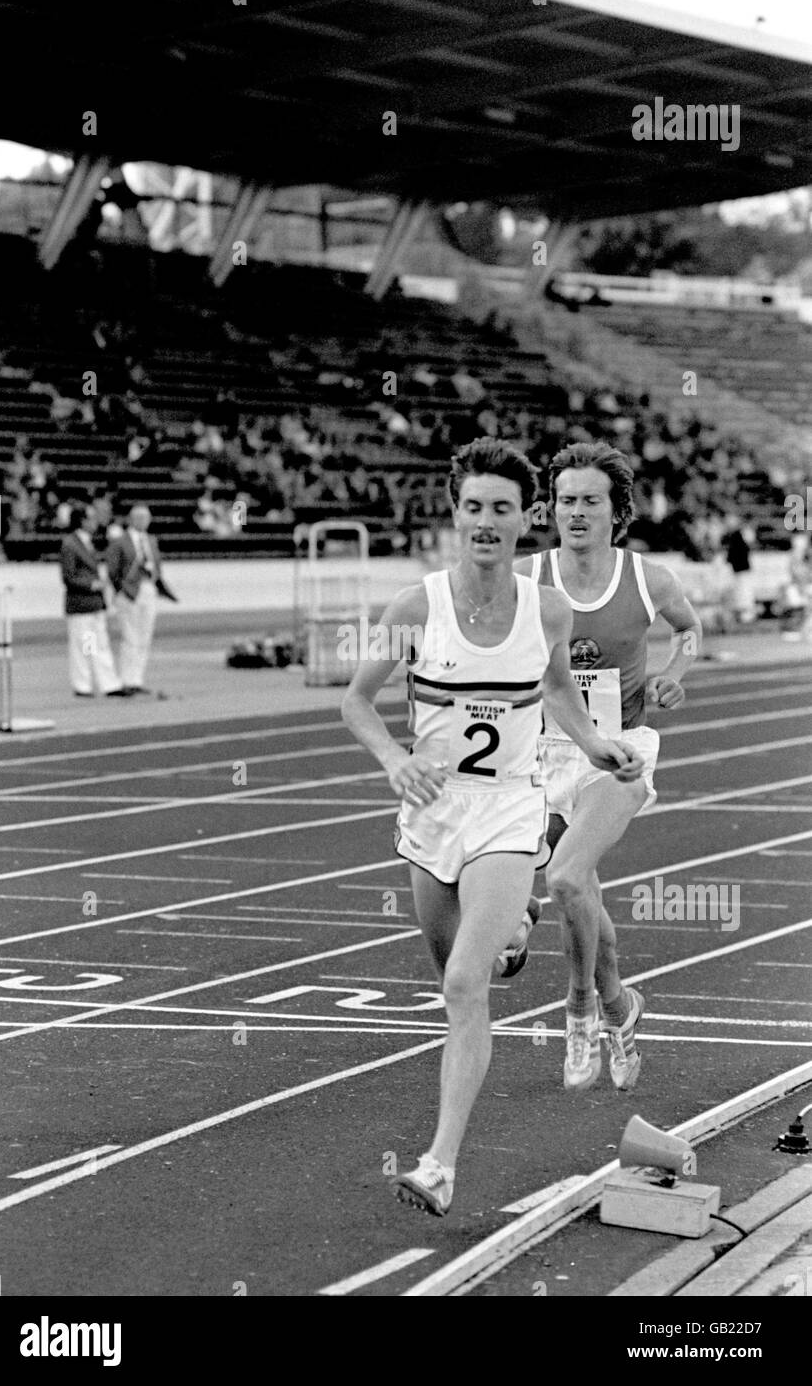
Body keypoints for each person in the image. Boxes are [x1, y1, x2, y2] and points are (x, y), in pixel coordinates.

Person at [341, 437, 644, 1216]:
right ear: (456, 513)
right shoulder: (417, 607)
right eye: (472, 508)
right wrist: (392, 761)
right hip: (431, 816)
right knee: (453, 972)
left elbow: (556, 692)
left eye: (501, 510)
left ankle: (440, 1163)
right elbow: (355, 701)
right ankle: (512, 929)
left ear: (524, 519)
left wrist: (595, 746)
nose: (485, 522)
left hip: (510, 808)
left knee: (463, 984)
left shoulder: (546, 607)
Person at [515, 441, 701, 1093]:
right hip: (545, 758)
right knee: (583, 910)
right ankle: (621, 1005)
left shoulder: (648, 579)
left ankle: (578, 1012)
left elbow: (689, 630)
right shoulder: (528, 580)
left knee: (564, 880)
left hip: (619, 755)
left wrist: (675, 674)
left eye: (591, 500)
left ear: (617, 510)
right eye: (566, 499)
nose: (576, 511)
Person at [106, 504, 178, 694]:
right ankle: (126, 679)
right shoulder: (120, 541)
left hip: (148, 589)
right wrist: (121, 590)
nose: (143, 522)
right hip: (129, 592)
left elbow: (157, 566)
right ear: (131, 519)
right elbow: (113, 570)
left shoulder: (151, 540)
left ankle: (136, 679)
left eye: (146, 518)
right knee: (130, 637)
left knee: (145, 636)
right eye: (139, 518)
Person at [61, 503, 129, 698]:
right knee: (85, 646)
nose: (95, 522)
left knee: (98, 644)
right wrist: (92, 584)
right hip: (82, 605)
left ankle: (107, 683)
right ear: (81, 521)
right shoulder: (70, 544)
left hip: (92, 605)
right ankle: (84, 684)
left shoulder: (85, 542)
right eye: (91, 518)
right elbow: (68, 576)